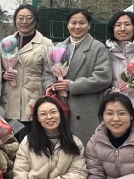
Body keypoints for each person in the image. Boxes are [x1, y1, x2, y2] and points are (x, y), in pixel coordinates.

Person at [44, 9, 114, 146]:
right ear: (67, 25)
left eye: (82, 23)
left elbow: (103, 77)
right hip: (60, 106)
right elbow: (47, 73)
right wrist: (50, 86)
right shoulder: (58, 47)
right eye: (73, 23)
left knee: (85, 148)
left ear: (89, 25)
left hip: (86, 108)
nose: (77, 26)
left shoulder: (97, 48)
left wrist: (72, 86)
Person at [0, 4, 54, 128]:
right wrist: (3, 75)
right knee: (11, 138)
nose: (24, 22)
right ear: (15, 20)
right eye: (20, 18)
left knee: (32, 138)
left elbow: (50, 72)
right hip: (10, 103)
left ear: (35, 20)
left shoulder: (45, 43)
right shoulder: (6, 42)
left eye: (29, 18)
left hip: (34, 101)